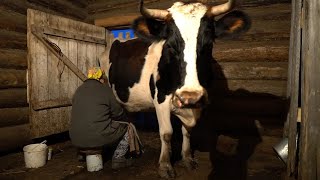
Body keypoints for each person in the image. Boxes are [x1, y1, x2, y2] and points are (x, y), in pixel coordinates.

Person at [69, 67, 141, 169]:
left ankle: (82, 155)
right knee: (128, 127)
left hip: (75, 137)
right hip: (96, 136)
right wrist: (127, 119)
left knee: (86, 124)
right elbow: (118, 113)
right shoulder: (105, 90)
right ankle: (118, 159)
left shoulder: (78, 90)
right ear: (101, 78)